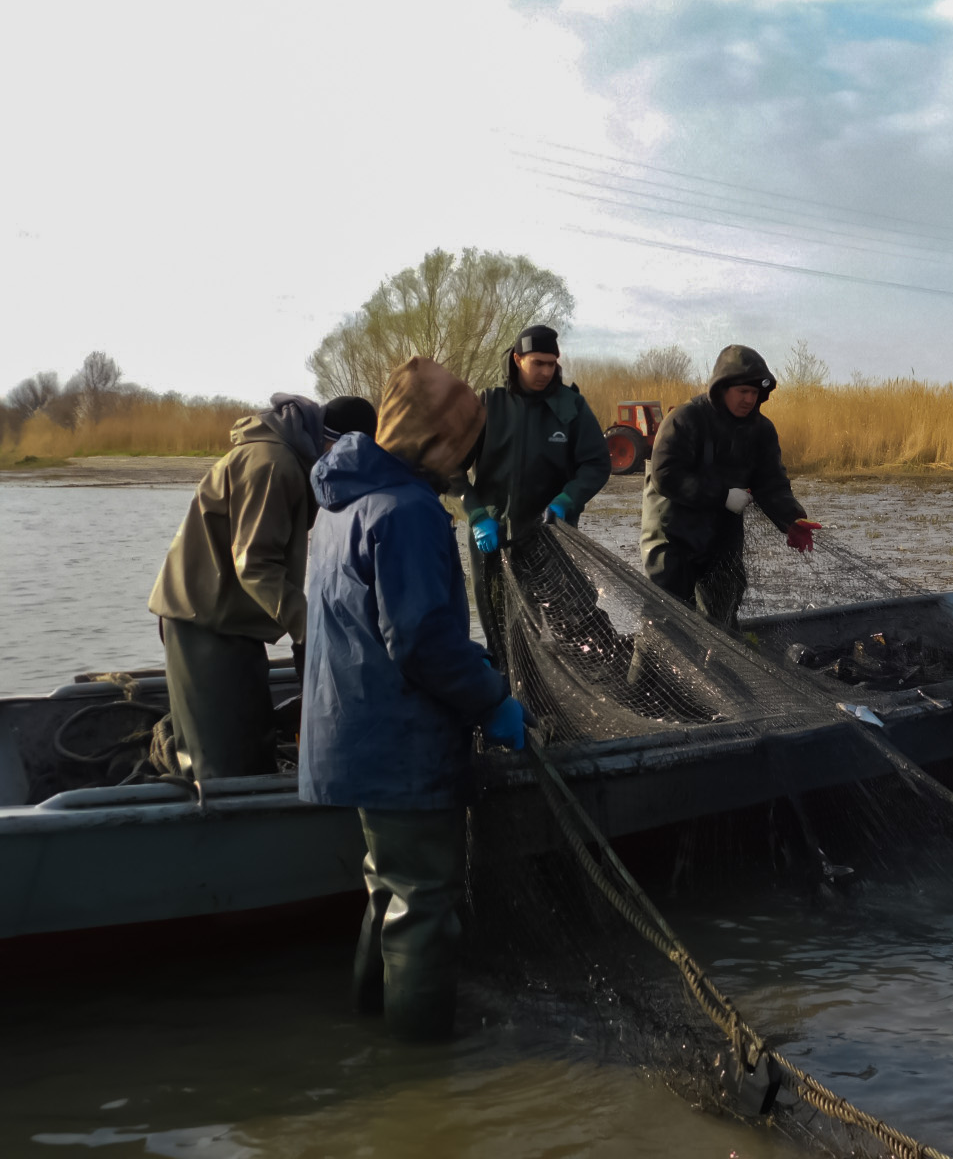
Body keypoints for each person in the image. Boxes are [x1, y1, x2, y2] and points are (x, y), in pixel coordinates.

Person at [298, 356, 526, 1043]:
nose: (465, 459)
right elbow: (423, 640)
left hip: (354, 733)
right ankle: (418, 1079)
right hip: (400, 744)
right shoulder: (408, 512)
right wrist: (492, 699)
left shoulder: (343, 502)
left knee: (389, 892)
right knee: (424, 906)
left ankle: (372, 1033)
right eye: (462, 443)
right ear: (437, 440)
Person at [147, 393, 376, 779]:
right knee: (223, 767)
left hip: (232, 620)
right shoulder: (274, 465)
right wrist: (310, 628)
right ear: (332, 445)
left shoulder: (290, 459)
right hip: (203, 625)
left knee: (251, 743)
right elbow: (254, 565)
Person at [456, 324, 610, 658]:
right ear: (516, 359)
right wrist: (477, 514)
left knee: (571, 629)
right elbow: (452, 470)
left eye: (551, 364)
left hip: (552, 538)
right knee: (504, 636)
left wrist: (567, 500)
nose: (544, 371)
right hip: (493, 541)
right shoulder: (488, 403)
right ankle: (509, 699)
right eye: (536, 363)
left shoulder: (571, 407)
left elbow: (596, 464)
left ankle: (562, 698)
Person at [640, 344, 818, 629]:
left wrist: (792, 519)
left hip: (721, 535)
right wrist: (722, 495)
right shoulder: (685, 419)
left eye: (755, 393)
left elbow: (771, 482)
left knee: (722, 613)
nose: (749, 399)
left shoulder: (761, 430)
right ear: (722, 388)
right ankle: (651, 674)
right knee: (665, 622)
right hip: (673, 533)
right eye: (742, 392)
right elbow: (666, 475)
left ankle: (713, 672)